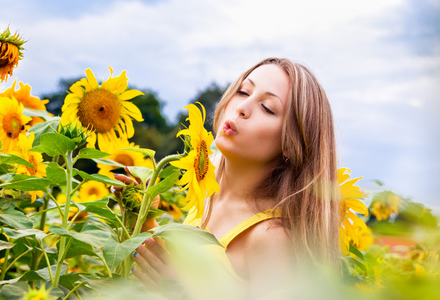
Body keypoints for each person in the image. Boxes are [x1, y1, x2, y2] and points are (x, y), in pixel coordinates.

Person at [114, 57, 340, 297]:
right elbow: (172, 270)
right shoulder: (206, 194)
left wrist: (181, 291)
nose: (242, 108)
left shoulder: (271, 237)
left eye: (268, 108)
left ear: (291, 143)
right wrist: (145, 218)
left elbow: (181, 284)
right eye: (243, 91)